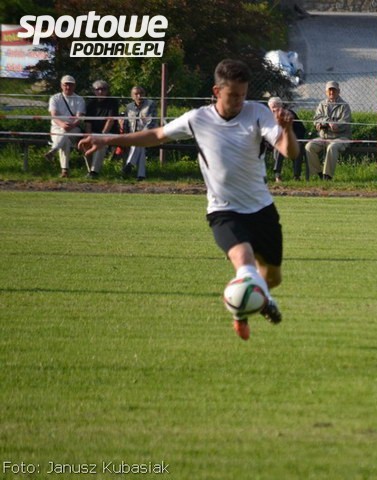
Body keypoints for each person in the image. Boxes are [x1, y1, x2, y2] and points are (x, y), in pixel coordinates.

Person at [79, 59, 299, 341]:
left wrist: (287, 130)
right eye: (233, 95)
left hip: (262, 209)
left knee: (272, 278)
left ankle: (253, 300)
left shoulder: (257, 113)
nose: (239, 101)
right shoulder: (198, 119)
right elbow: (156, 135)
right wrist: (106, 139)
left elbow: (289, 152)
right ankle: (239, 308)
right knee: (244, 262)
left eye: (243, 95)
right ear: (216, 91)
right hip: (224, 210)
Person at [305, 81, 352, 180]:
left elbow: (345, 122)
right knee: (309, 147)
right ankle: (317, 174)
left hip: (341, 138)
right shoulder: (322, 104)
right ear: (326, 92)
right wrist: (323, 123)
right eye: (329, 90)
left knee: (332, 147)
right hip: (323, 137)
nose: (331, 92)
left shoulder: (344, 106)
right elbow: (316, 118)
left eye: (334, 90)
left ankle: (327, 176)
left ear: (339, 91)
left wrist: (336, 125)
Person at [46, 75, 85, 178]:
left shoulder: (79, 99)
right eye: (66, 85)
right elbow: (53, 115)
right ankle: (65, 171)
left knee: (64, 133)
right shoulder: (54, 98)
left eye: (70, 85)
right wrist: (62, 124)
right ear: (61, 85)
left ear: (74, 86)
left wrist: (72, 125)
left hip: (74, 128)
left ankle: (53, 151)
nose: (68, 87)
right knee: (65, 140)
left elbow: (79, 117)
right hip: (56, 128)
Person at [83, 80, 120, 178]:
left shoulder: (112, 102)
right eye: (98, 89)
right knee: (84, 144)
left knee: (100, 144)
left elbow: (110, 120)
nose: (100, 91)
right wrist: (88, 136)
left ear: (107, 90)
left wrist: (102, 134)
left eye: (103, 89)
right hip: (93, 133)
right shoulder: (91, 103)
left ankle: (94, 172)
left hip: (109, 133)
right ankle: (90, 170)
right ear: (94, 91)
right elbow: (88, 122)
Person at [121, 86, 157, 181]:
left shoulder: (151, 104)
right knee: (140, 145)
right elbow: (126, 123)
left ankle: (129, 164)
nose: (139, 96)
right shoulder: (129, 107)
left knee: (138, 142)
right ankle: (141, 175)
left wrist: (142, 135)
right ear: (132, 96)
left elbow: (151, 122)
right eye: (136, 94)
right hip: (133, 136)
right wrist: (125, 136)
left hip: (149, 134)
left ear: (144, 94)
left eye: (141, 93)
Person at [268, 97, 307, 181]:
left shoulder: (289, 114)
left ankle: (296, 176)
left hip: (295, 140)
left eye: (275, 107)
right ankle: (277, 175)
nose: (273, 109)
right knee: (279, 147)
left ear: (281, 106)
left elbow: (301, 130)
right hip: (278, 142)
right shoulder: (269, 118)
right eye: (272, 108)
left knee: (298, 147)